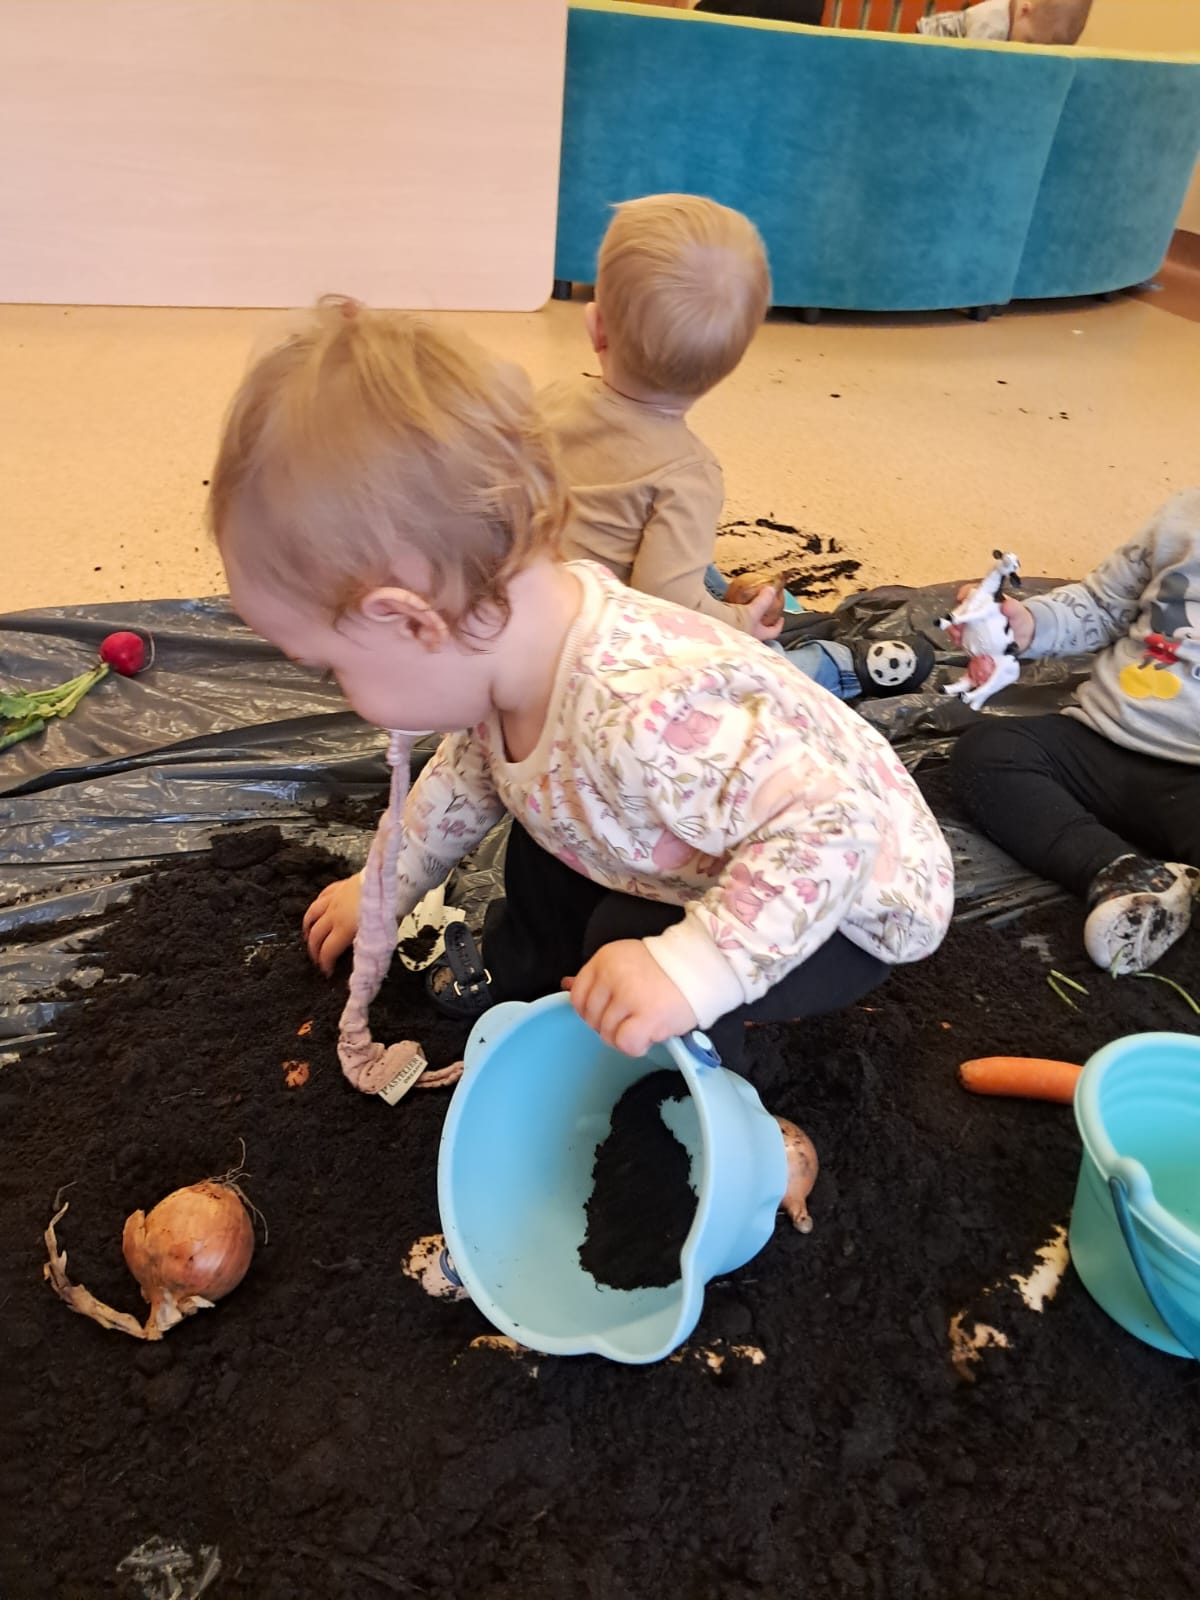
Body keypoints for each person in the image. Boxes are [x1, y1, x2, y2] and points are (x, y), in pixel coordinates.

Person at [208, 298, 953, 1077]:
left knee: (626, 943)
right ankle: (533, 976)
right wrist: (383, 885)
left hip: (842, 901)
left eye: (332, 667)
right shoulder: (507, 654)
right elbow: (466, 782)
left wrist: (689, 970)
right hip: (703, 838)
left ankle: (690, 1099)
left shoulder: (644, 715)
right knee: (542, 817)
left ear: (411, 622)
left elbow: (832, 829)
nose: (339, 690)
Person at [542, 193, 934, 702]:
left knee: (680, 552)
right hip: (603, 655)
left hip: (540, 603)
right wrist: (739, 622)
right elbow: (668, 609)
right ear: (729, 365)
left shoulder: (552, 401)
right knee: (744, 666)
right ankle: (831, 669)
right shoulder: (688, 474)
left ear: (596, 328)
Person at [950, 489, 1200, 975]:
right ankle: (1124, 874)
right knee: (989, 753)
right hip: (1102, 738)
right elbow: (1103, 605)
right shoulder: (1183, 517)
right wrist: (1025, 625)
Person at [916, 0, 1091, 44]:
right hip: (928, 37)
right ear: (1024, 11)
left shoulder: (1020, 19)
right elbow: (974, 65)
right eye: (1028, 41)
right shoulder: (992, 25)